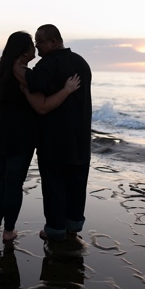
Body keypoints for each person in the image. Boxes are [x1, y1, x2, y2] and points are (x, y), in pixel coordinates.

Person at [0, 31, 81, 242]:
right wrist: (66, 89)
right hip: (19, 135)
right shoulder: (24, 76)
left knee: (4, 180)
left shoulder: (2, 70)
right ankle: (8, 231)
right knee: (14, 184)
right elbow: (42, 107)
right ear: (23, 50)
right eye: (31, 45)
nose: (35, 48)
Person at [13, 24, 93, 242]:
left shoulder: (48, 63)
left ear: (54, 42)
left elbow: (31, 81)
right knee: (77, 184)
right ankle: (73, 228)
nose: (36, 45)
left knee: (54, 184)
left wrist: (15, 65)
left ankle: (55, 230)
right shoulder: (81, 63)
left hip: (54, 138)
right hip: (81, 137)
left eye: (40, 41)